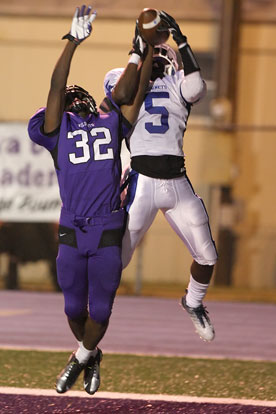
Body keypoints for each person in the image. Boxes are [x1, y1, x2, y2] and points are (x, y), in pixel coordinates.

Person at [28, 5, 153, 395]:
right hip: (72, 224)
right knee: (72, 309)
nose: (75, 101)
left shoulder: (109, 118)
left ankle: (79, 358)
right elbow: (54, 88)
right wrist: (72, 45)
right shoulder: (54, 129)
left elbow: (133, 93)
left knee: (100, 309)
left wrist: (143, 51)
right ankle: (91, 354)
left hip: (106, 225)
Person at [103, 11, 218, 342]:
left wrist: (181, 40)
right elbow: (121, 95)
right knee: (117, 260)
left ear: (170, 61)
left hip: (177, 182)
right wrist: (137, 51)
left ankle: (192, 302)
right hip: (141, 182)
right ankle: (97, 307)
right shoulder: (123, 78)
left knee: (208, 255)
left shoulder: (178, 84)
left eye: (161, 55)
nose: (156, 62)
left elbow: (196, 86)